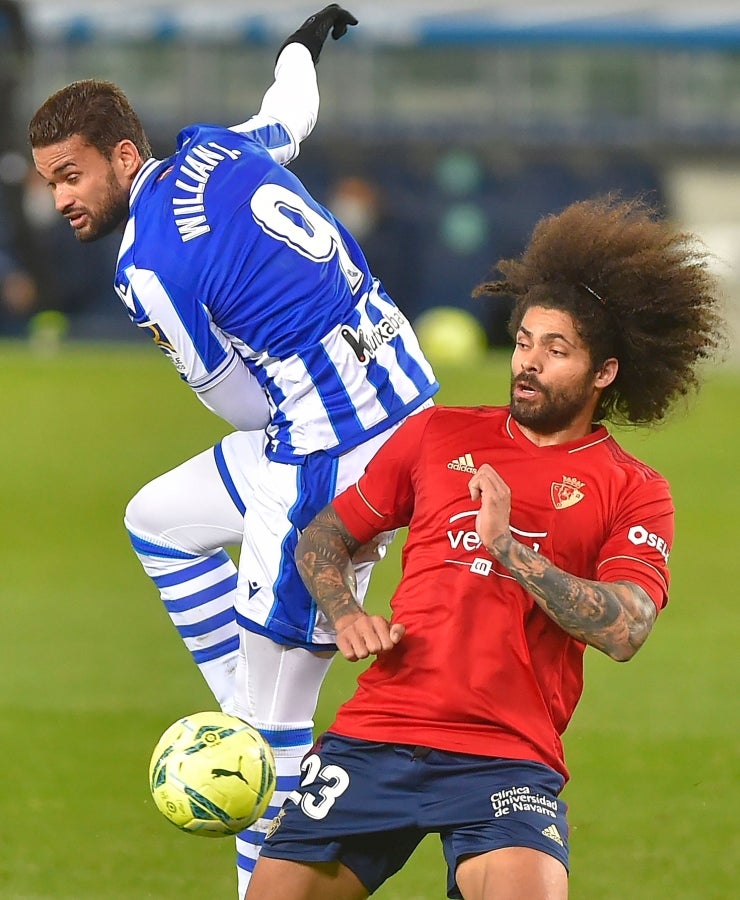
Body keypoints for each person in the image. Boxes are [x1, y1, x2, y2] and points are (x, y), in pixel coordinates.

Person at [28, 5, 437, 894]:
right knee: (158, 521)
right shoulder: (214, 148)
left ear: (123, 157)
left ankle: (258, 779)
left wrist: (283, 505)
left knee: (276, 728)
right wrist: (301, 44)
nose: (60, 198)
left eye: (71, 176)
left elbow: (238, 403)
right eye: (50, 181)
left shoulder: (148, 267)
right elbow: (291, 113)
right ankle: (244, 705)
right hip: (401, 397)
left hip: (334, 454)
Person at [246, 196, 724, 900]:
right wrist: (345, 612)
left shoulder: (634, 489)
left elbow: (627, 628)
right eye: (525, 341)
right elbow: (323, 536)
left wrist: (512, 552)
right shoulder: (437, 435)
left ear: (604, 373)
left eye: (556, 351)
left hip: (504, 759)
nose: (528, 364)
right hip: (377, 733)